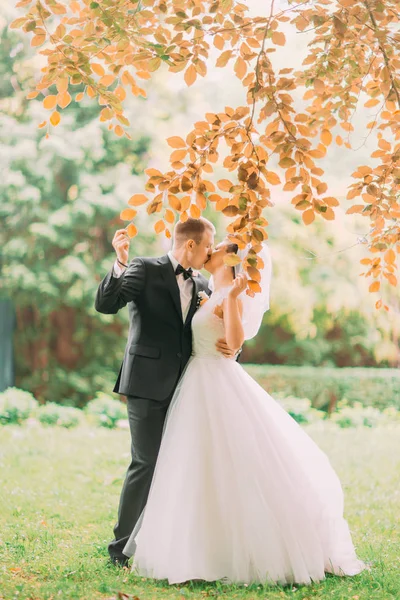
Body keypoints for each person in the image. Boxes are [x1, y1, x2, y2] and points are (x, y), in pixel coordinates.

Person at [122, 239, 366, 586]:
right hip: (196, 381)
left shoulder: (228, 295)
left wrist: (234, 299)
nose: (211, 249)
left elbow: (234, 343)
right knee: (195, 465)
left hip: (215, 381)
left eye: (218, 247)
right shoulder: (209, 291)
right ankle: (197, 545)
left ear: (230, 258)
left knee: (230, 462)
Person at [95, 217, 236, 567]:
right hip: (145, 383)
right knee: (146, 462)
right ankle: (120, 548)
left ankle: (166, 542)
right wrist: (121, 262)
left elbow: (212, 330)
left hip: (188, 388)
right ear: (191, 245)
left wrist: (233, 349)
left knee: (180, 466)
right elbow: (106, 304)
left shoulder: (204, 283)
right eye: (207, 246)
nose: (209, 252)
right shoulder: (144, 268)